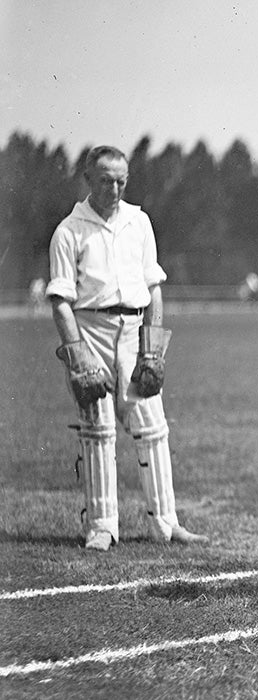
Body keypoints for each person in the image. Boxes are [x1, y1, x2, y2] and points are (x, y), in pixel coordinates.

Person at [46, 145, 208, 551]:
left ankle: (167, 524)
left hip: (134, 330)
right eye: (105, 180)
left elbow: (154, 289)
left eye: (121, 181)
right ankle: (103, 526)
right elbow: (61, 301)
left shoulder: (139, 222)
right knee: (98, 429)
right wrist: (77, 351)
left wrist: (152, 348)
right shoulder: (69, 230)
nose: (114, 189)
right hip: (92, 328)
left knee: (153, 427)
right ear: (88, 180)